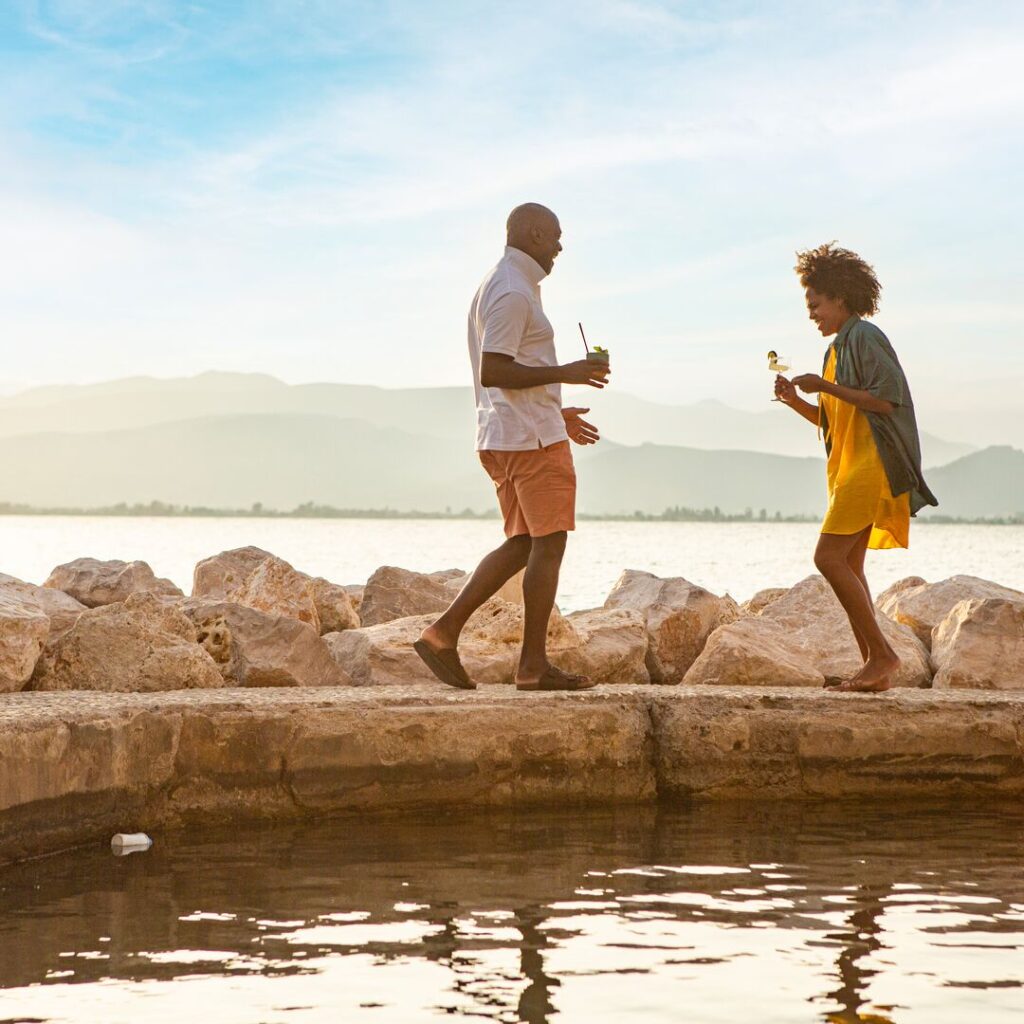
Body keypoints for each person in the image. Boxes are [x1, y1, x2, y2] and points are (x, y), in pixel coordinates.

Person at [414, 203, 610, 691]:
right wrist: (566, 373)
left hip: (514, 431)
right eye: (556, 237)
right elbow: (495, 370)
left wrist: (554, 408)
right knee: (551, 541)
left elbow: (506, 372)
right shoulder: (511, 291)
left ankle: (443, 634)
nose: (560, 247)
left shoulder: (502, 285)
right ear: (535, 233)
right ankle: (532, 666)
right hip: (528, 441)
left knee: (525, 542)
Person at [775, 242, 937, 693]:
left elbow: (886, 401)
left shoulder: (865, 337)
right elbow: (833, 420)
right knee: (850, 564)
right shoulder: (835, 350)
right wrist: (796, 402)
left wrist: (825, 384)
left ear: (840, 298)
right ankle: (874, 666)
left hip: (872, 467)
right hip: (849, 469)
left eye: (816, 304)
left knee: (826, 557)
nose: (812, 314)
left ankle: (883, 655)